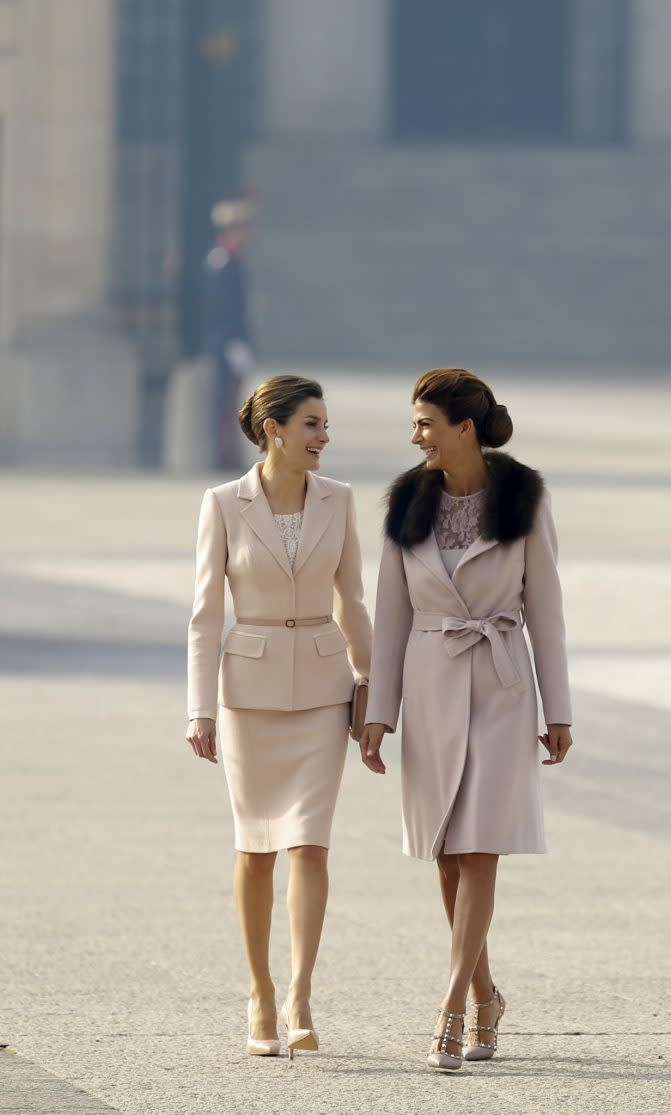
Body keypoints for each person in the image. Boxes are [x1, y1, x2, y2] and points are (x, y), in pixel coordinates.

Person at [360, 368, 573, 1071]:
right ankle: (488, 992)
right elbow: (390, 615)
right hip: (430, 684)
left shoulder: (523, 497)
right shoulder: (405, 501)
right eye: (413, 422)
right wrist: (378, 713)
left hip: (504, 684)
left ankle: (452, 1006)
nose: (414, 434)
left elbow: (546, 606)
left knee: (481, 846)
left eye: (424, 422)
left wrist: (559, 710)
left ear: (464, 428)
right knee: (447, 856)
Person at [186, 375, 372, 1058]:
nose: (324, 437)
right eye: (312, 425)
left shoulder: (342, 500)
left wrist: (370, 685)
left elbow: (353, 599)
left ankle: (300, 994)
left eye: (325, 425)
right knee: (256, 847)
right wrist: (198, 707)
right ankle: (259, 994)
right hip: (249, 694)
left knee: (311, 844)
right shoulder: (222, 503)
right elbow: (205, 614)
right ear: (274, 430)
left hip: (324, 690)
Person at [203, 197, 257, 471]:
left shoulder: (229, 260)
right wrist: (235, 343)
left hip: (229, 342)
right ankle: (223, 456)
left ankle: (227, 453)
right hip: (226, 343)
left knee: (231, 400)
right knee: (225, 402)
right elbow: (224, 310)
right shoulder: (222, 262)